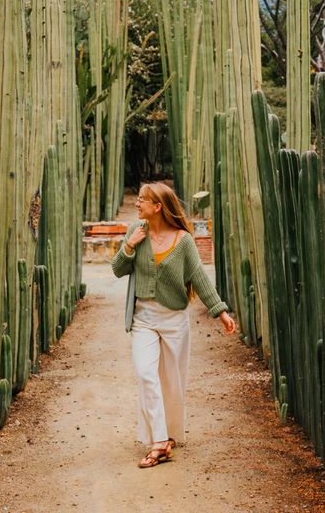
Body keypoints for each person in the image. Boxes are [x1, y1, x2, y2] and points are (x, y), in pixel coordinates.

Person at [111, 181, 236, 469]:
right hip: (142, 318)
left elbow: (199, 278)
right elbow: (117, 270)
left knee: (172, 380)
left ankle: (169, 435)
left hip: (174, 321)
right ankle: (158, 441)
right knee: (146, 374)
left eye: (143, 200)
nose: (137, 203)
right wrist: (129, 246)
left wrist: (221, 311)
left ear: (158, 207)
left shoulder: (183, 241)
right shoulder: (136, 233)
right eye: (138, 198)